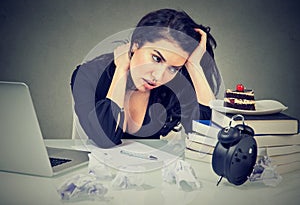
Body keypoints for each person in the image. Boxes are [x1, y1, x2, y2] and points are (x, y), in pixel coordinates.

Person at [71, 8, 222, 148]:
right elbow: (105, 140)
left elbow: (206, 137)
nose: (158, 76)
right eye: (156, 59)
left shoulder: (174, 85)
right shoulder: (88, 75)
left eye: (173, 68)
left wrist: (195, 66)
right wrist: (121, 70)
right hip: (99, 172)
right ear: (136, 44)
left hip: (152, 171)